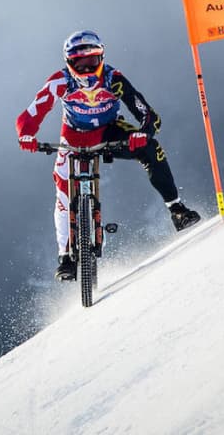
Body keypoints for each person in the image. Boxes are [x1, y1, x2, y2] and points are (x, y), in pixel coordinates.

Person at [16, 29, 201, 281]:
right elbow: (32, 112)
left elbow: (147, 113)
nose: (86, 69)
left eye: (92, 61)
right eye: (79, 63)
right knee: (61, 191)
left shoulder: (114, 78)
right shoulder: (59, 81)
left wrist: (143, 133)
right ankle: (65, 257)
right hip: (71, 137)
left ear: (101, 57)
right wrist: (26, 135)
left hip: (108, 132)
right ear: (68, 63)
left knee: (152, 149)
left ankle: (177, 209)